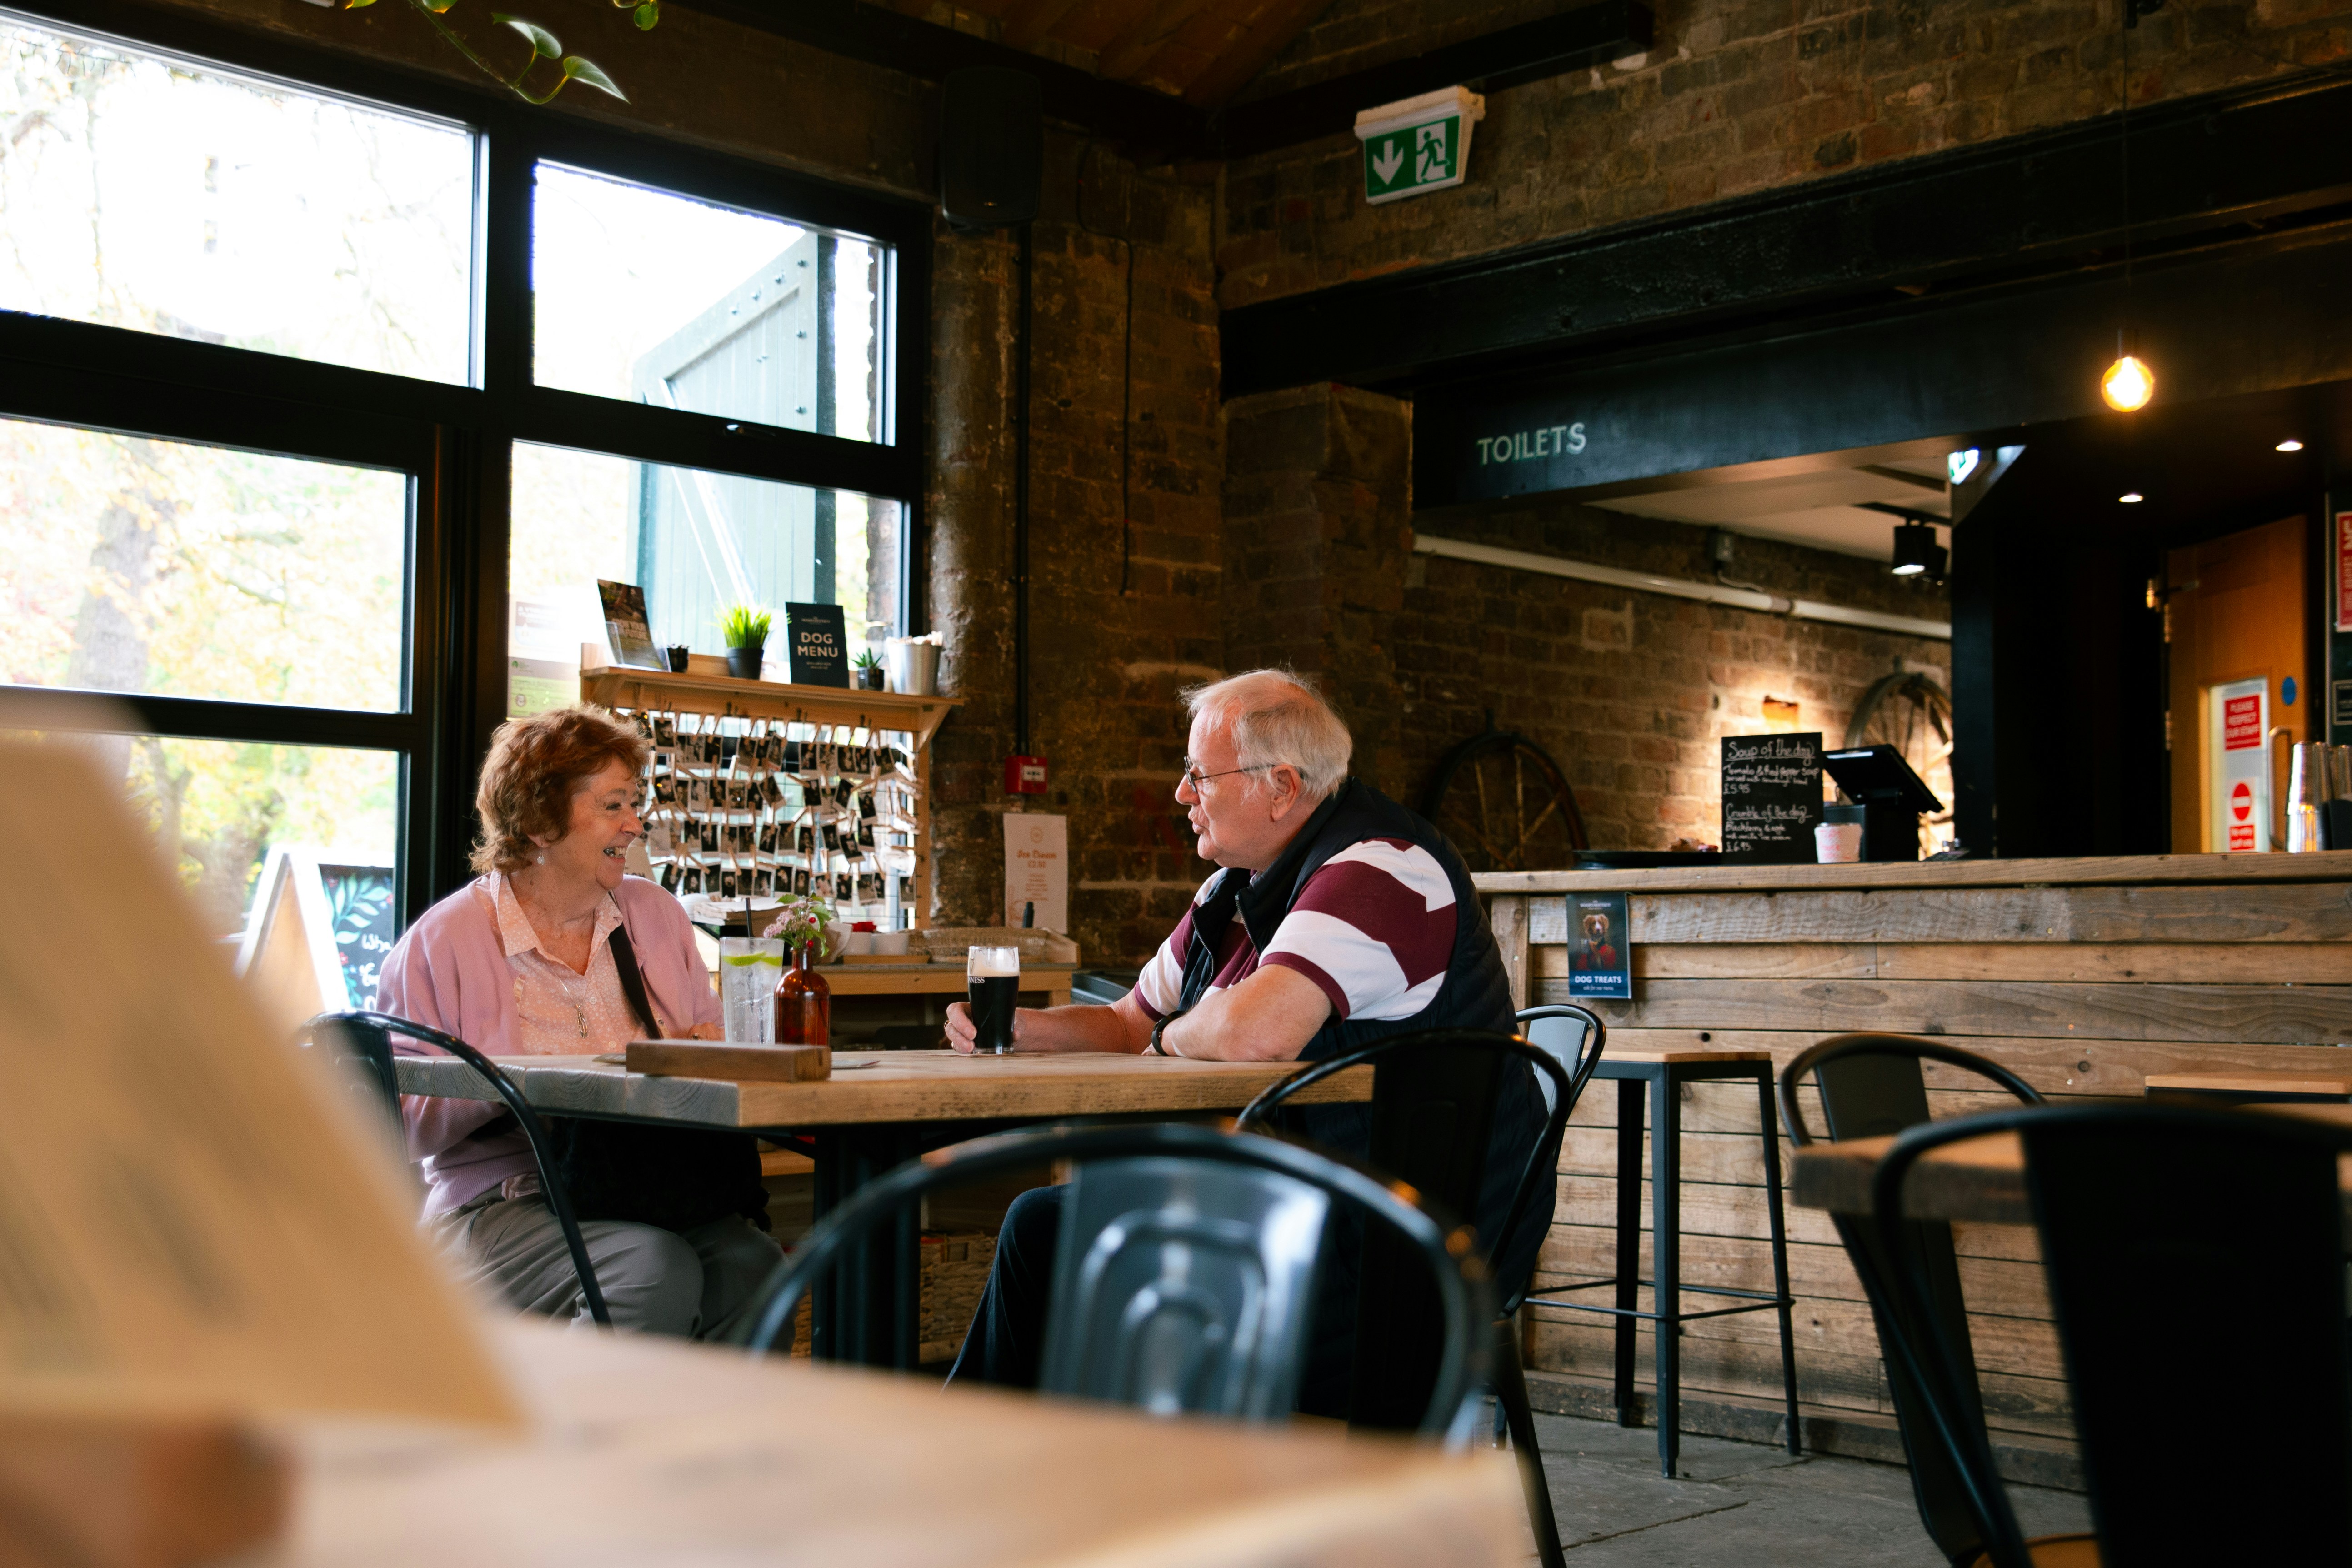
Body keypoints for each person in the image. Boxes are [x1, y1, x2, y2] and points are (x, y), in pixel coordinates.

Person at [943, 669, 1547, 1405]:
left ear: (1281, 787)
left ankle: (1068, 1478)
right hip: (1307, 1209)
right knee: (1045, 1223)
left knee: (1080, 1244)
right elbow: (1127, 1020)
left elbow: (1255, 1032)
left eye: (1198, 774)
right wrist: (1017, 1029)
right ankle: (999, 1470)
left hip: (1400, 1251)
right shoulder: (1233, 886)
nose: (1180, 793)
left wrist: (1173, 1038)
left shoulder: (1381, 868)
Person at [375, 705, 781, 1338]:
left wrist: (702, 1053)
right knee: (651, 1268)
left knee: (755, 1263)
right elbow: (397, 1121)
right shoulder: (444, 940)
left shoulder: (654, 913)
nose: (635, 823)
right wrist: (510, 1081)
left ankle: (708, 1437)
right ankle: (588, 1436)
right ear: (540, 823)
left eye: (635, 802)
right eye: (615, 805)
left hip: (638, 1187)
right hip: (499, 1201)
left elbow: (706, 1040)